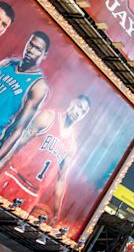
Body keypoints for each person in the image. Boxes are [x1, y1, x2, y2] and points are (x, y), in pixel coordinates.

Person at [0, 95, 90, 224]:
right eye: (79, 106)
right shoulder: (48, 117)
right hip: (14, 175)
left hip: (32, 193)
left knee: (8, 228)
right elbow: (19, 141)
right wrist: (2, 162)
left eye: (83, 112)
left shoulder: (71, 145)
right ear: (72, 102)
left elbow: (61, 179)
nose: (78, 112)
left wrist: (56, 211)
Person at [0, 32, 51, 164]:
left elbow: (18, 130)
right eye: (30, 45)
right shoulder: (8, 63)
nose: (31, 50)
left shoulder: (38, 85)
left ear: (44, 55)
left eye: (37, 49)